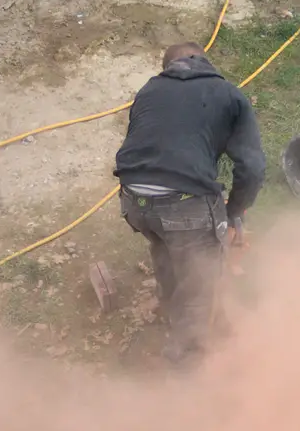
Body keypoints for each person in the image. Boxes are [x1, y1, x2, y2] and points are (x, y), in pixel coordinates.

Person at [113, 42, 265, 364]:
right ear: (204, 62)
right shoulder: (227, 94)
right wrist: (233, 212)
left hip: (133, 201)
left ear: (167, 67)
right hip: (183, 201)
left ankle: (172, 309)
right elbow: (252, 168)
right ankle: (186, 378)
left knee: (166, 245)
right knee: (201, 286)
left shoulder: (148, 91)